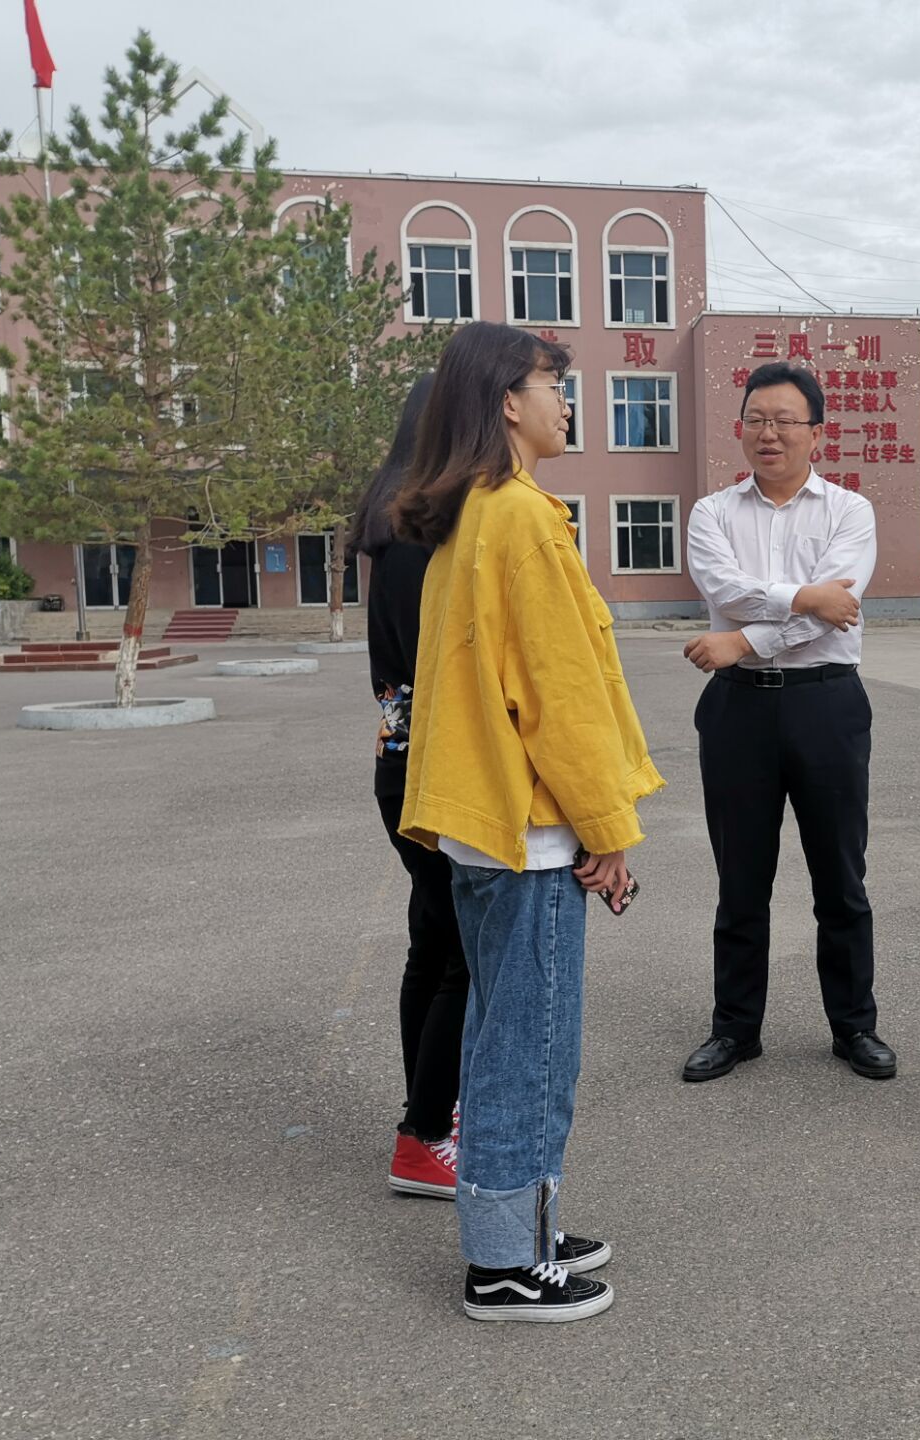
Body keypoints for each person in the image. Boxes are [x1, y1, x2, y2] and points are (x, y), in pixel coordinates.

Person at [392, 323, 664, 1323]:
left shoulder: (471, 516)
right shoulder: (521, 520)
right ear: (509, 401)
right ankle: (506, 1262)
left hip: (483, 822)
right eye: (555, 385)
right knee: (530, 1049)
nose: (566, 403)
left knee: (504, 1035)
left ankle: (526, 1229)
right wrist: (607, 826)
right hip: (530, 830)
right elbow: (560, 697)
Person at [678, 361, 895, 1083]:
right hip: (737, 709)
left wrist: (741, 640)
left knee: (841, 877)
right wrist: (802, 598)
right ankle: (735, 1029)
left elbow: (840, 609)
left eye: (785, 421)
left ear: (816, 433)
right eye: (757, 420)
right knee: (740, 879)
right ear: (740, 428)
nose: (768, 433)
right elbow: (726, 588)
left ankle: (854, 1027)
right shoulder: (712, 513)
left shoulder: (849, 512)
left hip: (825, 704)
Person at [349, 373, 470, 1200]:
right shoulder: (421, 541)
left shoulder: (396, 526)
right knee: (458, 952)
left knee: (434, 940)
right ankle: (425, 1133)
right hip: (435, 767)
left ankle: (428, 1120)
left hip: (406, 762)